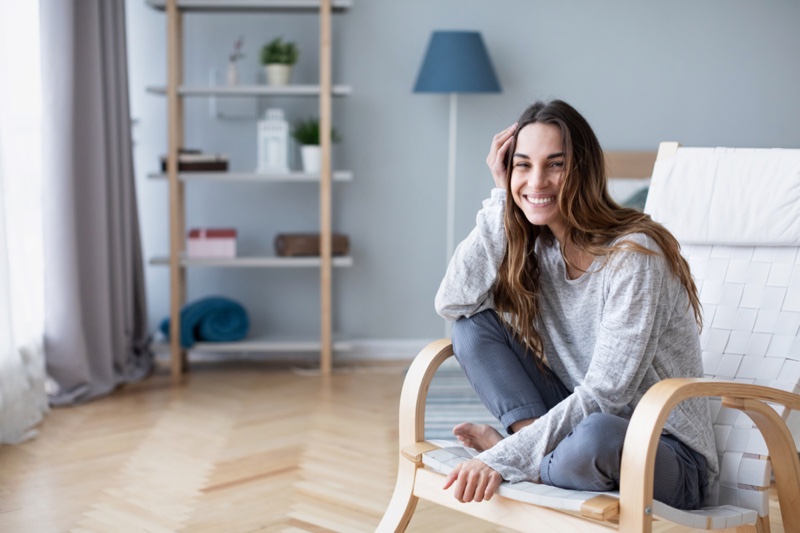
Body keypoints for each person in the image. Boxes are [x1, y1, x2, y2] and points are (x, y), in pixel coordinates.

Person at [434, 99, 718, 510]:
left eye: (555, 164)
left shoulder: (633, 255)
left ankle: (524, 453)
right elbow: (454, 302)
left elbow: (607, 394)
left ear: (582, 170)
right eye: (523, 165)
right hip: (577, 427)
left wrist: (501, 458)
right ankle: (535, 453)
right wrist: (500, 200)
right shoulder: (539, 249)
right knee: (472, 326)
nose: (537, 181)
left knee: (598, 435)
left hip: (663, 451)